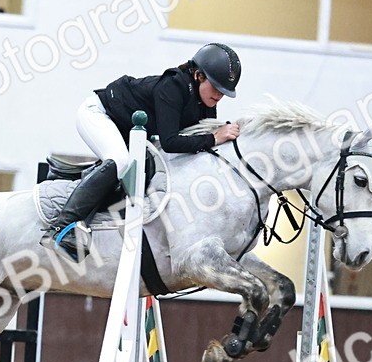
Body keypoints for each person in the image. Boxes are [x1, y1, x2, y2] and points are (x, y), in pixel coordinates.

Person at [42, 42, 243, 259]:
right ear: (198, 75)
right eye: (216, 87)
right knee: (120, 162)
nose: (219, 95)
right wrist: (214, 137)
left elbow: (199, 144)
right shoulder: (173, 86)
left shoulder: (205, 103)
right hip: (99, 114)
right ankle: (61, 227)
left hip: (127, 130)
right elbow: (171, 142)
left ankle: (71, 184)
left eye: (223, 91)